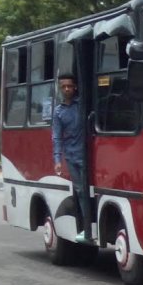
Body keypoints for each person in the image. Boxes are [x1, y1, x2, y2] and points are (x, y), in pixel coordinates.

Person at [52, 73, 87, 242]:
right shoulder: (58, 112)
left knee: (89, 191)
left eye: (69, 86)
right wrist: (58, 160)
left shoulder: (83, 106)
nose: (67, 89)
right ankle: (86, 228)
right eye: (63, 87)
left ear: (75, 87)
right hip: (72, 157)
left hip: (88, 155)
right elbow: (57, 137)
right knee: (80, 191)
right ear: (60, 89)